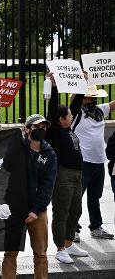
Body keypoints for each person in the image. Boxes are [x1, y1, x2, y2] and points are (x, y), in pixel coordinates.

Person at [2, 114, 56, 279]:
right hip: (16, 207)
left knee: (40, 253)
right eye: (36, 127)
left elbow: (48, 185)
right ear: (27, 129)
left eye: (43, 127)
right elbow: (6, 165)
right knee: (10, 252)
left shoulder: (49, 154)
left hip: (37, 210)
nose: (41, 130)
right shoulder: (18, 147)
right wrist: (14, 142)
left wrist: (36, 210)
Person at [45, 79, 88, 264]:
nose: (72, 116)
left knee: (76, 210)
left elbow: (76, 105)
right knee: (62, 212)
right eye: (69, 115)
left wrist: (82, 84)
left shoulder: (69, 128)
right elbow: (53, 109)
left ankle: (69, 243)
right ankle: (60, 248)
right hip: (63, 175)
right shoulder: (54, 130)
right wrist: (54, 86)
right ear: (60, 119)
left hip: (77, 174)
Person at [69, 82, 115, 240]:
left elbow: (113, 105)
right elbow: (74, 100)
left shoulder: (100, 111)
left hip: (98, 161)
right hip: (83, 161)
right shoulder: (75, 114)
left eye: (93, 97)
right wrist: (80, 86)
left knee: (95, 196)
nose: (91, 101)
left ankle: (96, 227)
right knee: (76, 197)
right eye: (88, 98)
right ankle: (73, 229)